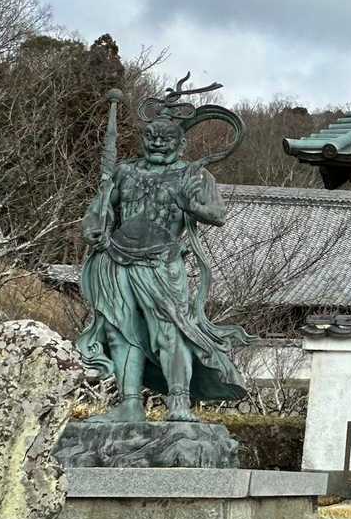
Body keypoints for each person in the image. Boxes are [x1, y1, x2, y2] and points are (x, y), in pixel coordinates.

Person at [76, 87, 249, 422]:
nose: (157, 142)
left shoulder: (192, 174)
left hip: (161, 262)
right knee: (119, 331)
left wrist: (190, 204)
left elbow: (217, 214)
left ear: (180, 143)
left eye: (166, 138)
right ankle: (129, 403)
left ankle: (179, 401)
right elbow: (101, 208)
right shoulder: (124, 171)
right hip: (116, 258)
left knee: (170, 331)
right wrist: (94, 225)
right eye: (151, 136)